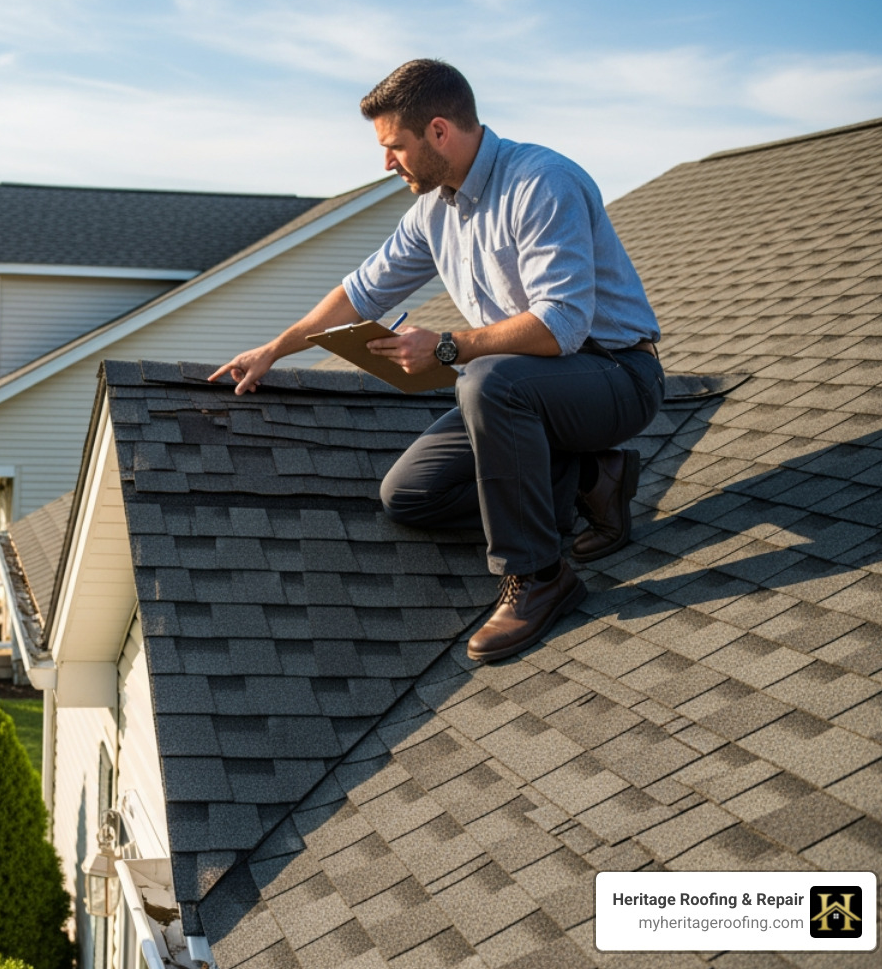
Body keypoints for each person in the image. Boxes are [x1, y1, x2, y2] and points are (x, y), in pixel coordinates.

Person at [212, 59, 663, 663]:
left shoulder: (541, 182)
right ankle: (591, 480)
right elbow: (359, 294)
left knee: (485, 380)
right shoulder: (434, 212)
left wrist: (447, 346)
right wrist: (275, 347)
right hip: (529, 388)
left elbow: (563, 324)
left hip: (616, 376)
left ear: (439, 131)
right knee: (409, 494)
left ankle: (538, 577)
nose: (386, 162)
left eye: (394, 146)